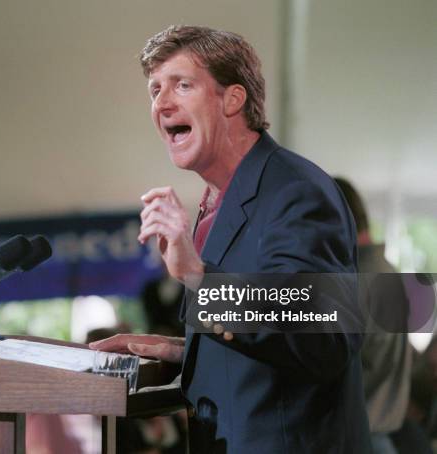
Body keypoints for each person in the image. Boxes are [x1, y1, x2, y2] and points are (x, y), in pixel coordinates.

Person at [90, 25, 371, 452]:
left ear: (232, 99)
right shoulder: (216, 201)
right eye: (154, 90)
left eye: (182, 85)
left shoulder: (295, 191)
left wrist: (198, 276)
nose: (162, 103)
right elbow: (260, 342)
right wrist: (182, 350)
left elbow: (321, 340)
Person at [334, 177, 413, 453]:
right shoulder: (388, 272)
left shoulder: (357, 282)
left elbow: (335, 365)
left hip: (360, 438)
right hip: (381, 435)